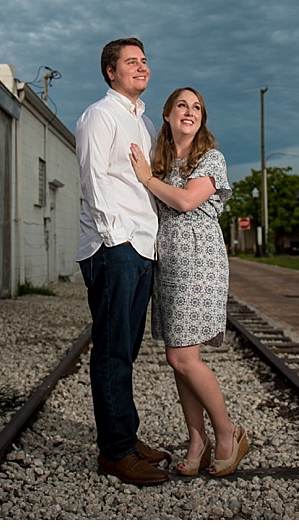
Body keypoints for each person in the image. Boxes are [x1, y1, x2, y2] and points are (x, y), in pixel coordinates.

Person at [127, 87, 250, 478]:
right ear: (166, 114)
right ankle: (197, 440)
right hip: (170, 263)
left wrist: (146, 179)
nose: (190, 111)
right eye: (182, 104)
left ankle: (228, 433)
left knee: (183, 357)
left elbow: (184, 202)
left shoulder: (210, 158)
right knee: (178, 360)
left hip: (199, 262)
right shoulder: (163, 161)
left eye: (197, 107)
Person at [75, 37, 171, 486]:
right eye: (131, 61)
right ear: (110, 71)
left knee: (126, 352)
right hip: (115, 246)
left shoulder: (146, 122)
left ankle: (126, 439)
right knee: (112, 351)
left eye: (145, 61)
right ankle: (114, 452)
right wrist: (117, 240)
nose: (141, 67)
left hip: (142, 245)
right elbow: (94, 179)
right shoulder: (100, 115)